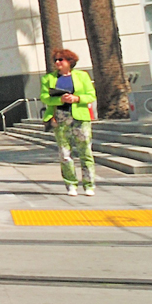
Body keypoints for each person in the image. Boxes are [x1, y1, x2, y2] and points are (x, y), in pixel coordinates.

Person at [40, 49, 97, 196]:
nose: (57, 63)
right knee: (65, 153)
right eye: (56, 60)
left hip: (80, 117)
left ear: (69, 61)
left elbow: (91, 95)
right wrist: (60, 99)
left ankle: (89, 184)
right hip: (60, 118)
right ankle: (71, 184)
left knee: (85, 151)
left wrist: (77, 98)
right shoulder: (48, 78)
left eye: (61, 60)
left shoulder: (82, 76)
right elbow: (45, 97)